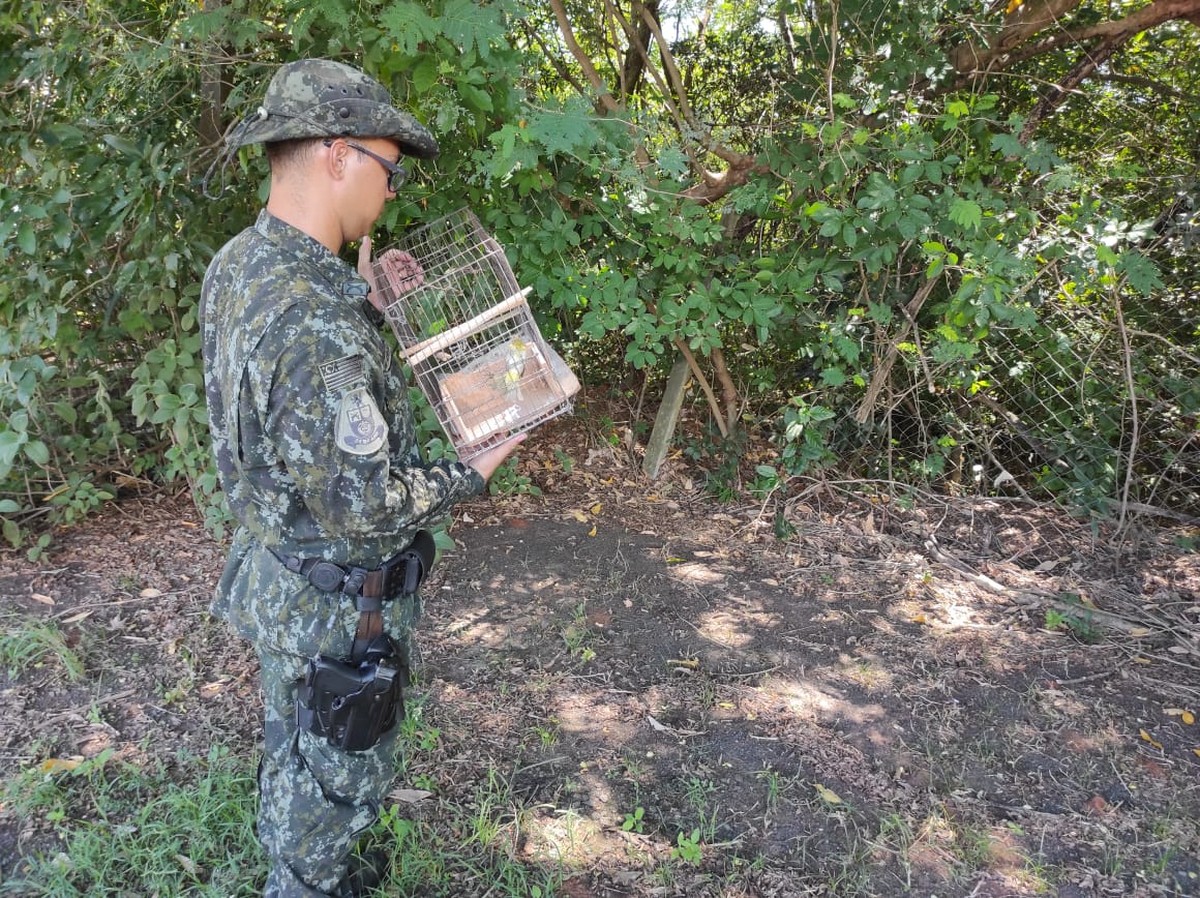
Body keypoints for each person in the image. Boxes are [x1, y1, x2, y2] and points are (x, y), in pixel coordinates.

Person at [199, 58, 523, 897]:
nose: (393, 190)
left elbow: (285, 417)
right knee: (330, 793)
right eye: (389, 168)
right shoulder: (314, 320)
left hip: (284, 582)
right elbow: (362, 507)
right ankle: (311, 879)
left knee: (300, 752)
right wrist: (466, 469)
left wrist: (370, 303)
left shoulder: (245, 263)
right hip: (338, 608)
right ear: (336, 155)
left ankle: (318, 864)